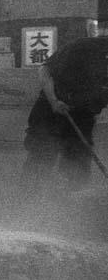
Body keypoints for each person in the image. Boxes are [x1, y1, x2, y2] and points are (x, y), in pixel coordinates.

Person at [21, 37, 108, 194]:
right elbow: (44, 70)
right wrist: (54, 100)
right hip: (52, 108)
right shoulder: (84, 47)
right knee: (43, 152)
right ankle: (30, 198)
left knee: (78, 157)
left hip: (83, 113)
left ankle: (72, 199)